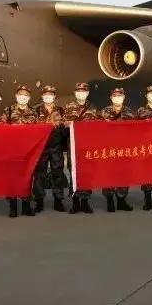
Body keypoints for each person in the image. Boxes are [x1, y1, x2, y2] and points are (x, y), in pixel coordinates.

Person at [0, 84, 39, 217]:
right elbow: (0, 126)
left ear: (29, 97)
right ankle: (13, 206)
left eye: (26, 95)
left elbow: (40, 130)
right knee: (12, 179)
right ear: (16, 96)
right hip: (12, 152)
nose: (23, 97)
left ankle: (26, 206)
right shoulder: (8, 110)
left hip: (29, 152)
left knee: (27, 178)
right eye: (21, 94)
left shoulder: (34, 112)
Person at [63, 82, 98, 214]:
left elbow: (98, 127)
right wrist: (66, 125)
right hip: (73, 145)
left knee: (87, 173)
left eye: (84, 91)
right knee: (74, 173)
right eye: (78, 91)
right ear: (75, 93)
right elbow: (63, 125)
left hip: (88, 147)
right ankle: (75, 202)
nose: (81, 93)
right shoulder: (68, 108)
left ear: (87, 93)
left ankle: (85, 202)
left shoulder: (93, 109)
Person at [100, 87, 135, 212]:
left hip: (124, 149)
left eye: (119, 95)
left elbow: (136, 130)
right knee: (109, 174)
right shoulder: (104, 112)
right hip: (109, 149)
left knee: (123, 174)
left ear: (124, 97)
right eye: (115, 95)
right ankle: (109, 200)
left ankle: (121, 200)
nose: (117, 97)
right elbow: (96, 130)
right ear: (111, 98)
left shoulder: (130, 113)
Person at [34, 84, 68, 212]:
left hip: (56, 148)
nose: (48, 97)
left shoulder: (61, 110)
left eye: (51, 95)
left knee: (58, 174)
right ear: (42, 96)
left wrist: (61, 127)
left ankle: (58, 201)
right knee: (39, 175)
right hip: (41, 148)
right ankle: (39, 201)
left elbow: (66, 130)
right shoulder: (36, 111)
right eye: (46, 95)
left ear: (54, 96)